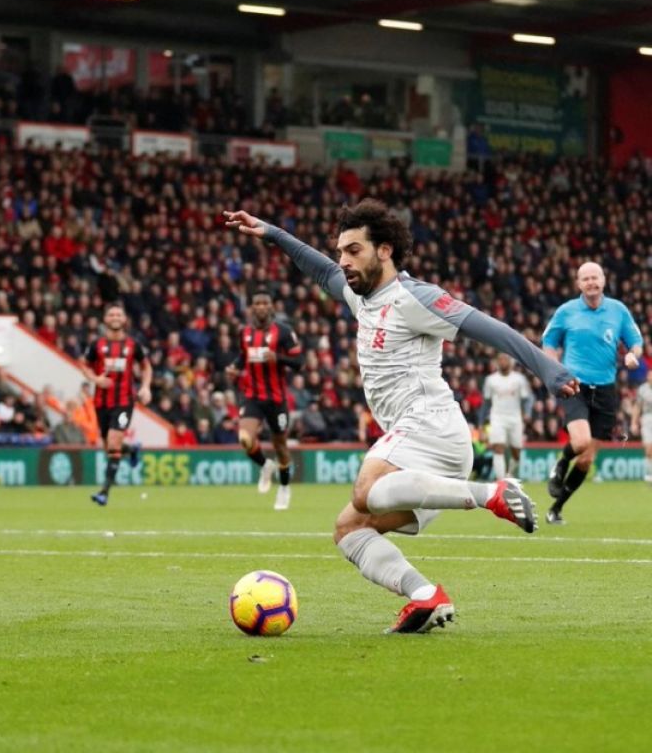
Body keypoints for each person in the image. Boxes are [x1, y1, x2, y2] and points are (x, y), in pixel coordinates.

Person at [225, 199, 577, 634]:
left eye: (353, 250)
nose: (343, 261)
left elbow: (489, 328)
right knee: (350, 529)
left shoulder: (417, 297)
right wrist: (272, 232)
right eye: (341, 251)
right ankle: (426, 596)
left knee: (365, 490)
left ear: (385, 250)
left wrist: (547, 368)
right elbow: (317, 269)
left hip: (432, 424)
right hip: (418, 454)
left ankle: (492, 493)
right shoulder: (358, 293)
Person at [542, 262, 643, 524]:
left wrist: (633, 355)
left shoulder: (618, 310)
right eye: (585, 278)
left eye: (594, 277)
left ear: (603, 280)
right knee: (580, 442)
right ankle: (560, 465)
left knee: (586, 460)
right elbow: (549, 342)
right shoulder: (567, 311)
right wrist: (554, 369)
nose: (590, 282)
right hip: (575, 386)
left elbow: (636, 341)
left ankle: (556, 508)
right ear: (578, 284)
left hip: (606, 391)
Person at [227, 290, 302, 510]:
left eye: (264, 303)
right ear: (251, 308)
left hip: (276, 398)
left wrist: (278, 357)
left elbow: (299, 363)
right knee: (244, 438)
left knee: (280, 446)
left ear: (271, 307)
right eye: (256, 303)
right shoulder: (245, 333)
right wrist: (234, 368)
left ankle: (284, 488)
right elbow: (243, 356)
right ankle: (265, 465)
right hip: (252, 396)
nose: (260, 306)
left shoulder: (285, 332)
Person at [80, 302, 151, 506]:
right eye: (111, 314)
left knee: (113, 441)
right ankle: (131, 450)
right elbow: (83, 365)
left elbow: (146, 367)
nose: (115, 317)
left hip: (124, 402)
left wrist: (145, 387)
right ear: (105, 319)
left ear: (124, 319)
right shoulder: (97, 345)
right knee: (109, 447)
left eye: (118, 314)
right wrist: (96, 379)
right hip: (101, 402)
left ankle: (104, 492)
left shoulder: (133, 345)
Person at [481, 354, 533, 480]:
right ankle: (501, 482)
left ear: (511, 362)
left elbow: (527, 398)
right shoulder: (490, 380)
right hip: (497, 417)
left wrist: (527, 413)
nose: (502, 361)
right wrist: (481, 422)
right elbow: (486, 402)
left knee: (516, 451)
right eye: (500, 359)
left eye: (505, 359)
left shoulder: (519, 379)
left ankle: (509, 475)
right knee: (498, 448)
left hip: (515, 418)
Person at [636, 379, 652, 484]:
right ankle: (649, 473)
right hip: (646, 418)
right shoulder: (642, 389)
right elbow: (637, 407)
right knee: (648, 448)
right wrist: (633, 422)